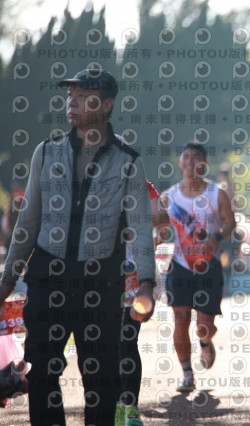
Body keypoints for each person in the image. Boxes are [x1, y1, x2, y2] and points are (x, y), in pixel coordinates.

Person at [0, 69, 157, 425]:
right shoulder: (46, 152)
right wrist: (8, 278)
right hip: (47, 279)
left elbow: (140, 228)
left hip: (100, 284)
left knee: (100, 379)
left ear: (107, 105)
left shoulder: (128, 161)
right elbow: (28, 222)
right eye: (70, 95)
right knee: (41, 371)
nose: (72, 102)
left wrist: (146, 283)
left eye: (84, 96)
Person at [159, 142, 235, 393]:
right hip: (180, 265)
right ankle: (187, 374)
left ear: (205, 164)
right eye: (186, 157)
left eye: (196, 158)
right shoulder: (170, 196)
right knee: (180, 319)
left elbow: (230, 224)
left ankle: (205, 340)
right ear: (180, 162)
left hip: (208, 266)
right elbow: (160, 226)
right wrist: (158, 236)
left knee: (204, 325)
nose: (191, 162)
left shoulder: (216, 194)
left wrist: (217, 237)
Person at [116, 174, 168, 426]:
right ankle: (115, 407)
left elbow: (163, 219)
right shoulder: (85, 177)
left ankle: (130, 410)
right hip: (94, 268)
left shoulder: (139, 182)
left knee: (126, 339)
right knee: (103, 344)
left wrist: (143, 226)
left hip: (133, 268)